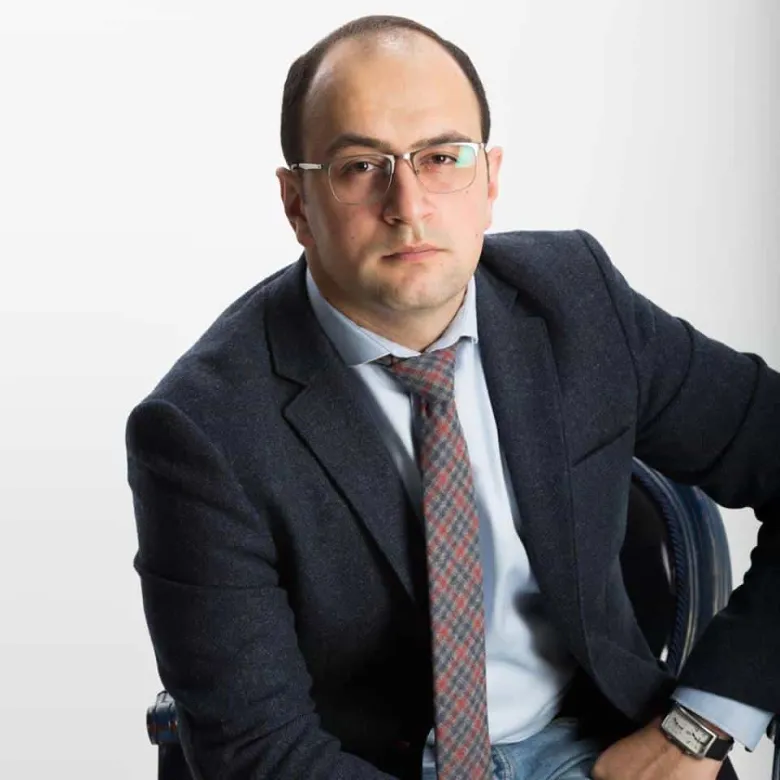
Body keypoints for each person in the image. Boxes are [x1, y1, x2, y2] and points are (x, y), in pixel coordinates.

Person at [126, 14, 779, 780]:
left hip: (601, 742)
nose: (408, 205)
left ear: (490, 180)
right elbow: (260, 752)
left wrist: (699, 727)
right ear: (297, 203)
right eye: (360, 166)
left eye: (441, 157)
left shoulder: (579, 302)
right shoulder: (200, 430)